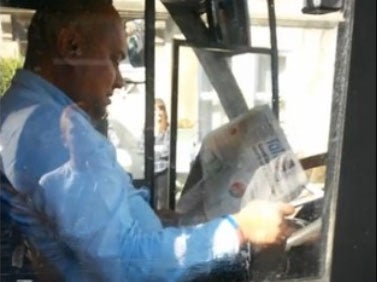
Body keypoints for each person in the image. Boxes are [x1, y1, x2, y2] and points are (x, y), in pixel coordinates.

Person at [0, 1, 295, 281]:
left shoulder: (34, 115)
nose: (119, 80)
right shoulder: (52, 131)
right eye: (114, 59)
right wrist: (240, 229)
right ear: (71, 46)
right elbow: (126, 266)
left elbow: (89, 232)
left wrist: (151, 221)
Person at [154, 98, 171, 209]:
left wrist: (154, 149)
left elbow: (167, 149)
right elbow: (141, 147)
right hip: (150, 170)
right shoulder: (148, 128)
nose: (159, 112)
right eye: (156, 109)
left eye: (161, 109)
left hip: (162, 170)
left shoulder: (167, 130)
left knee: (162, 202)